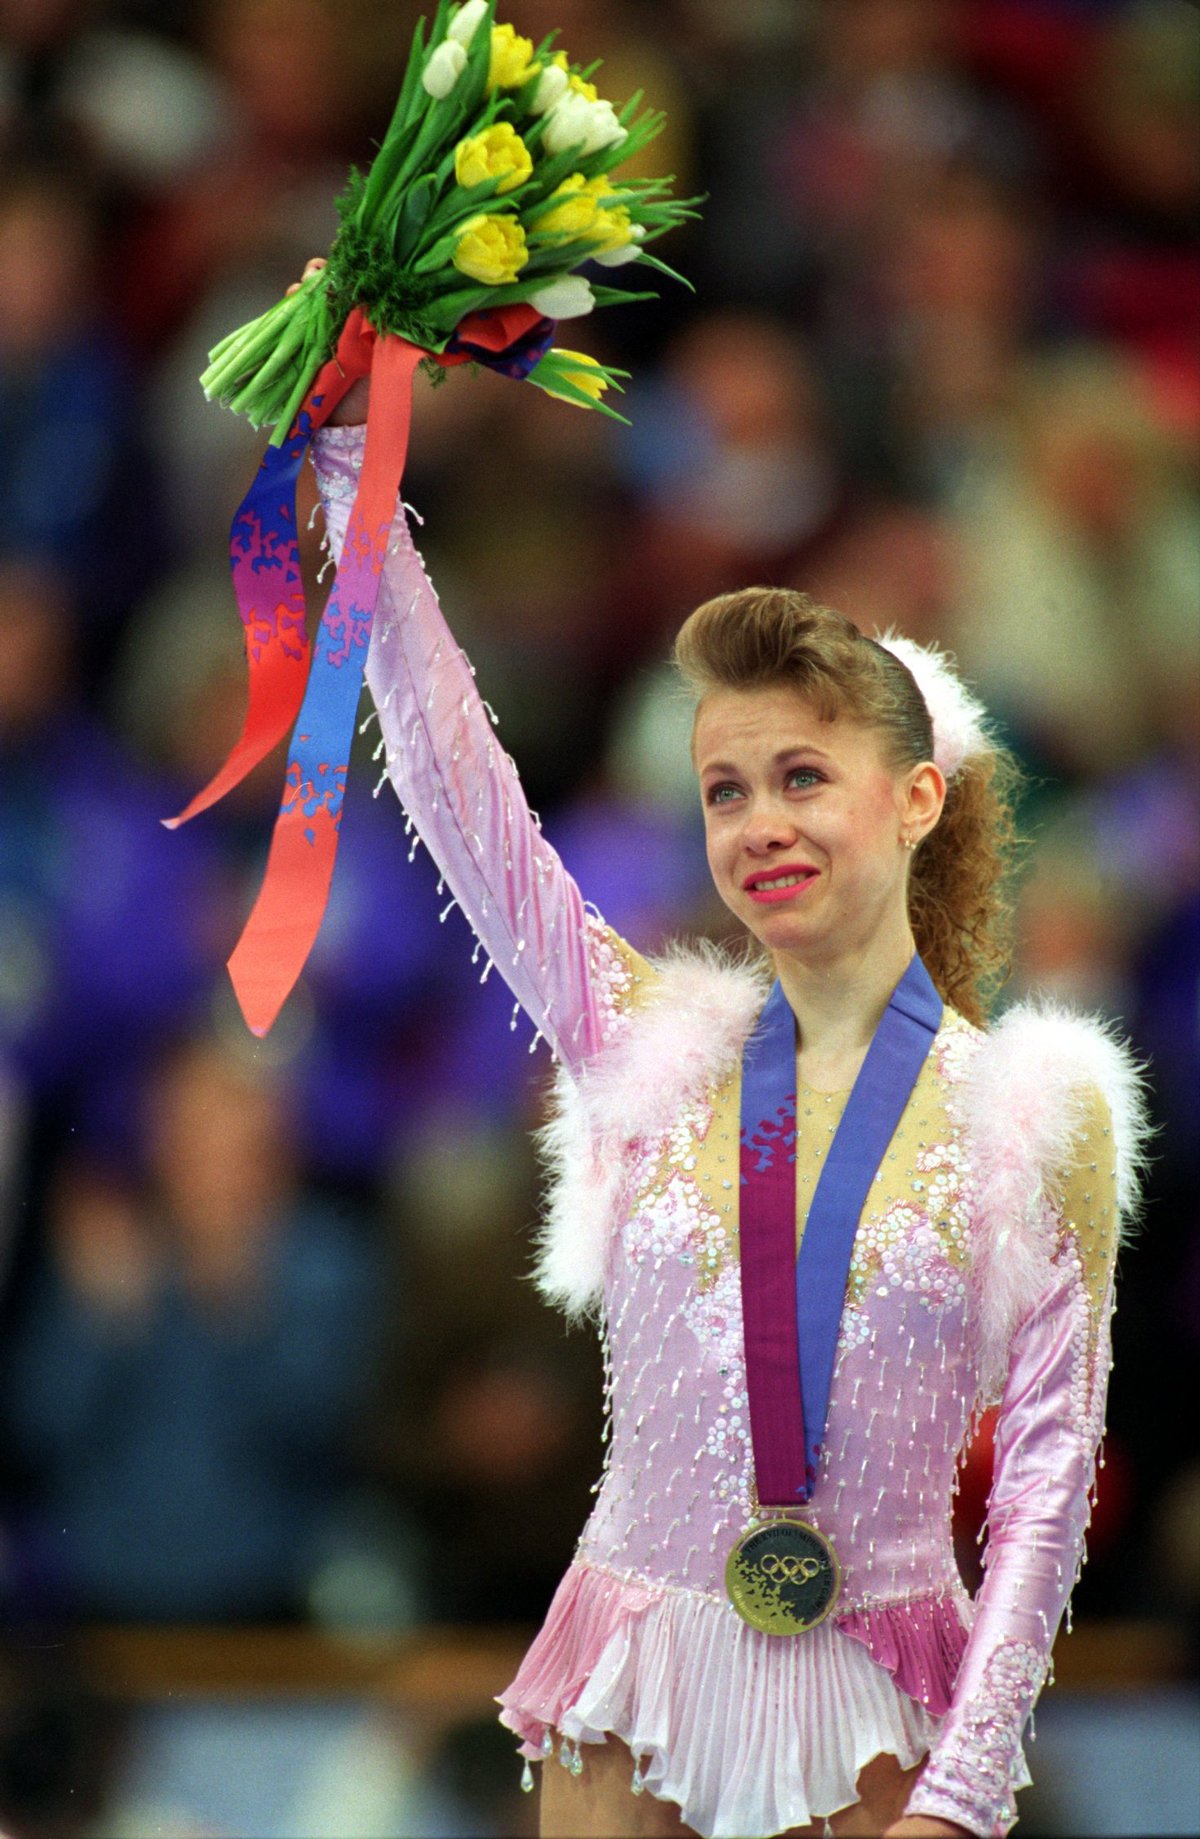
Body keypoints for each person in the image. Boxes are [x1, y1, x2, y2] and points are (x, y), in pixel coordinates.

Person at [298, 263, 1147, 1839]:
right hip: (631, 1694)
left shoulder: (1035, 1112)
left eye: (803, 776)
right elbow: (456, 777)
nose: (760, 824)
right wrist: (355, 466)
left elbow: (1042, 1485)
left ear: (915, 800)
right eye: (726, 789)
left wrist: (962, 1793)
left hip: (884, 1715)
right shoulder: (642, 1041)